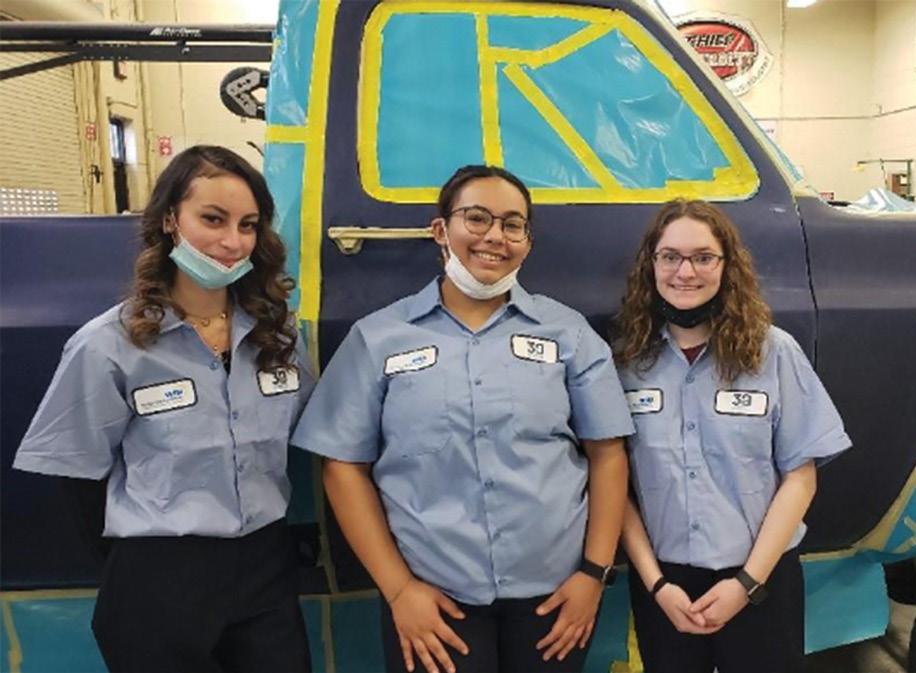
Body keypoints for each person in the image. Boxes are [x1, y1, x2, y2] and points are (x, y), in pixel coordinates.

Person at [291, 165, 633, 673]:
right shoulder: (378, 337)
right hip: (433, 604)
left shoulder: (569, 333)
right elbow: (342, 467)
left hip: (556, 600)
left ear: (527, 242)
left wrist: (593, 575)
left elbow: (608, 454)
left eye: (512, 224)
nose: (495, 236)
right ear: (440, 230)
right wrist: (399, 590)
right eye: (476, 218)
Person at [13, 145, 314, 673]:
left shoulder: (278, 336)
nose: (233, 242)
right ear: (171, 219)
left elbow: (312, 434)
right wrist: (142, 569)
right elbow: (78, 476)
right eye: (213, 219)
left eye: (248, 225)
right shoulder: (111, 345)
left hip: (264, 573)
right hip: (160, 576)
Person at [612, 199, 851, 673]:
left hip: (761, 582)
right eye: (670, 257)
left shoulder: (772, 352)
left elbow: (801, 477)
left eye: (703, 257)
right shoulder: (626, 362)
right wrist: (657, 585)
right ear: (651, 264)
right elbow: (614, 483)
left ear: (726, 265)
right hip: (666, 589)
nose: (685, 272)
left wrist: (747, 584)